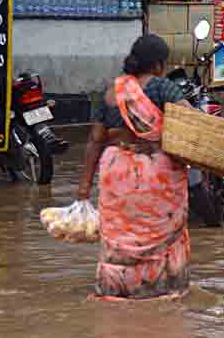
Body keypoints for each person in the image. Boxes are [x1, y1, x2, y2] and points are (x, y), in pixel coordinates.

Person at [77, 36, 215, 300]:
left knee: (119, 235)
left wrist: (84, 186)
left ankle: (116, 289)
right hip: (157, 173)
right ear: (159, 65)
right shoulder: (164, 88)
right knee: (164, 236)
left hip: (115, 171)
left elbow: (95, 139)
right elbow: (192, 123)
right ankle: (162, 289)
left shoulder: (111, 92)